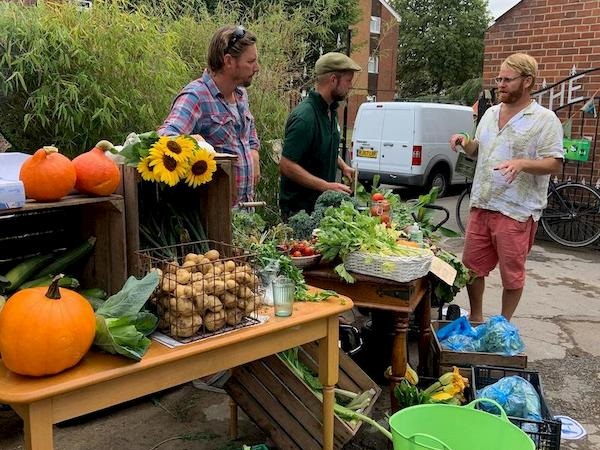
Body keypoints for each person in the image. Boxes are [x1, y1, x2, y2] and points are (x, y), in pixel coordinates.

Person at [449, 53, 563, 322]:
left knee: (512, 275)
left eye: (507, 79)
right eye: (498, 78)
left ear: (527, 81)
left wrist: (522, 164)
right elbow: (479, 149)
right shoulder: (489, 113)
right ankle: (476, 318)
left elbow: (554, 163)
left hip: (516, 210)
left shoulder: (544, 119)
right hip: (482, 203)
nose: (500, 84)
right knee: (472, 269)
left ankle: (502, 324)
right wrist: (465, 143)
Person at [158, 25, 261, 204]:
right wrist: (193, 142)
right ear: (228, 61)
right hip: (212, 217)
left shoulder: (240, 94)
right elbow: (165, 137)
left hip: (244, 210)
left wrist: (254, 152)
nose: (257, 68)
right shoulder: (196, 96)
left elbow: (248, 132)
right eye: (251, 62)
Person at [279, 52, 360, 217]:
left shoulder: (330, 111)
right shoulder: (305, 117)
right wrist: (327, 186)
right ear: (333, 80)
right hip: (300, 212)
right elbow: (286, 165)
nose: (350, 86)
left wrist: (343, 166)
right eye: (348, 80)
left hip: (320, 208)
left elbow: (323, 145)